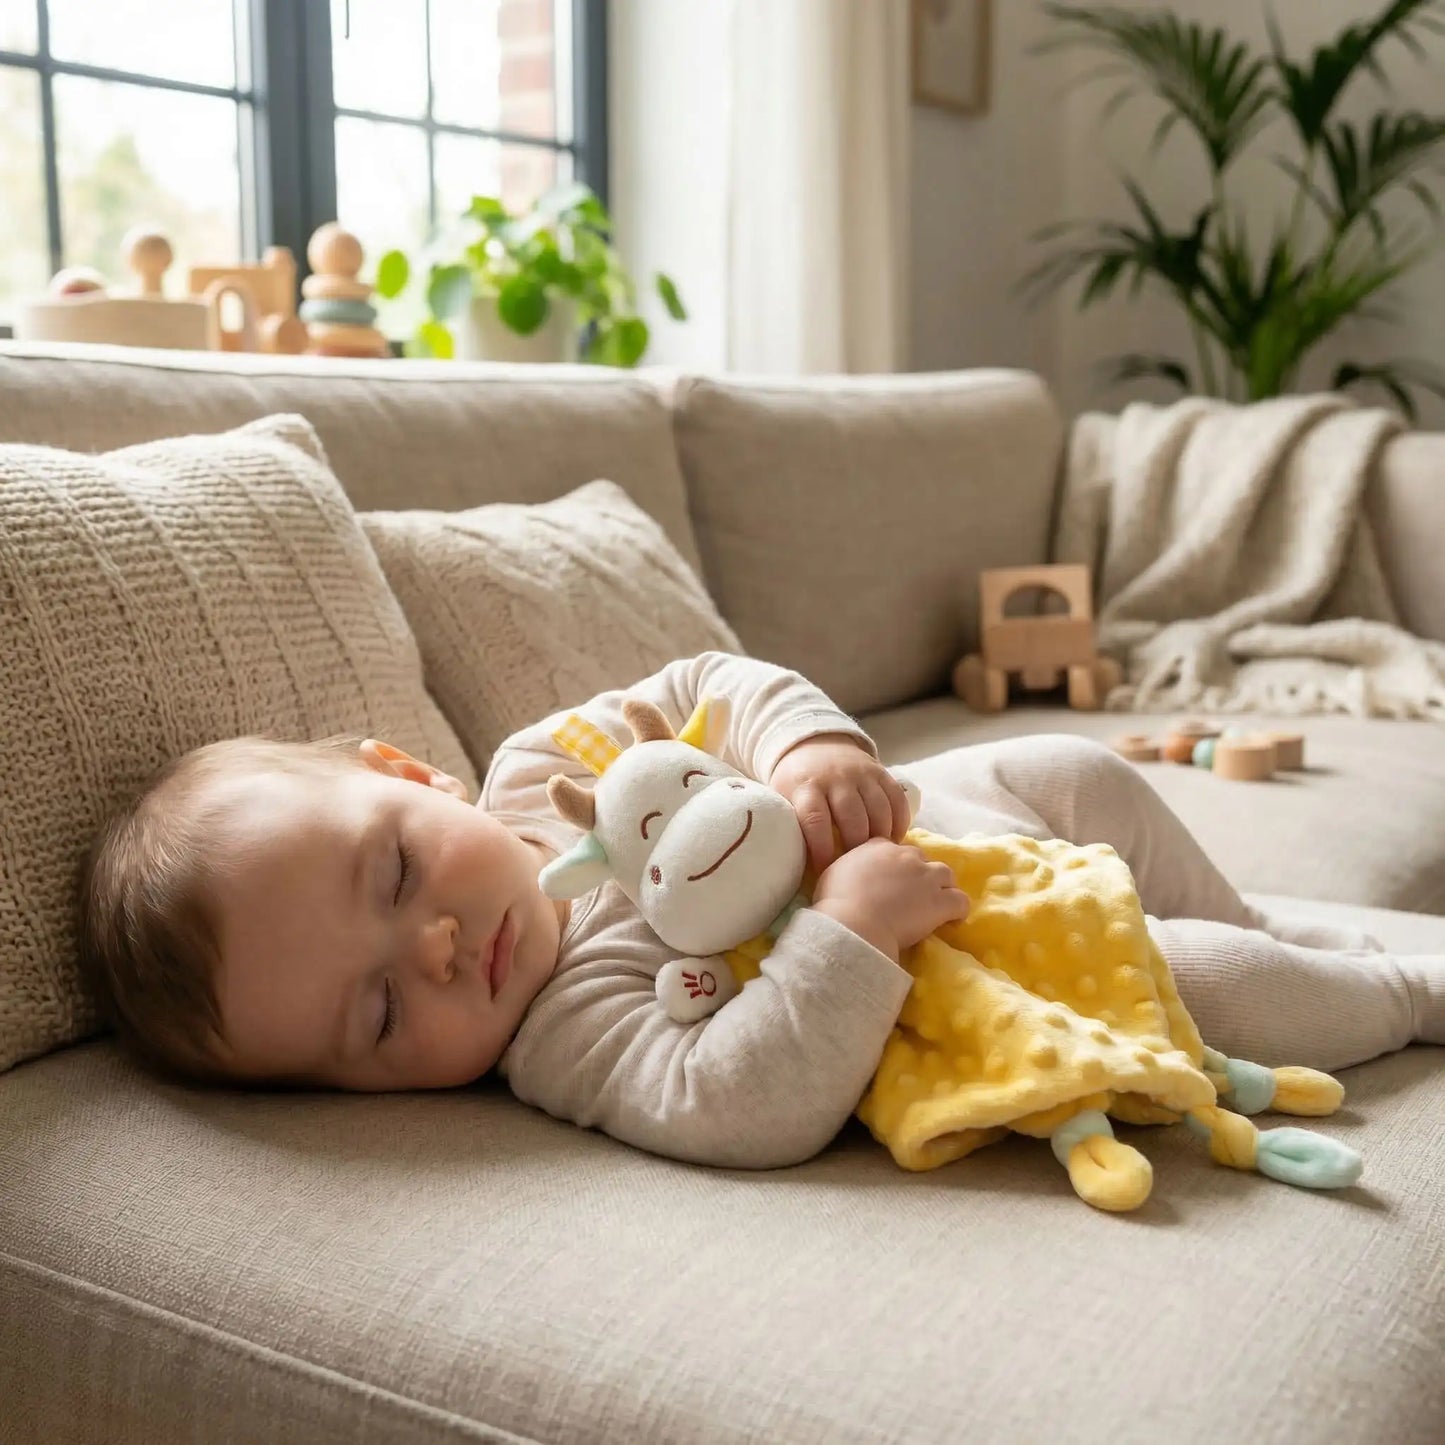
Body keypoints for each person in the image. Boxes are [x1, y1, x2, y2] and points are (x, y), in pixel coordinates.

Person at [79, 652, 1444, 1170]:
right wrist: (844, 931)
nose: (435, 947)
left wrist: (809, 750)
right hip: (992, 956)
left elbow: (707, 685)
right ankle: (1399, 991)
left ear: (404, 771)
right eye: (377, 1012)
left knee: (1083, 769)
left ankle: (1276, 914)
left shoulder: (548, 768)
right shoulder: (564, 1038)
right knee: (1207, 978)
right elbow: (735, 1098)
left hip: (949, 809)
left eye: (392, 871)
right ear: (352, 1095)